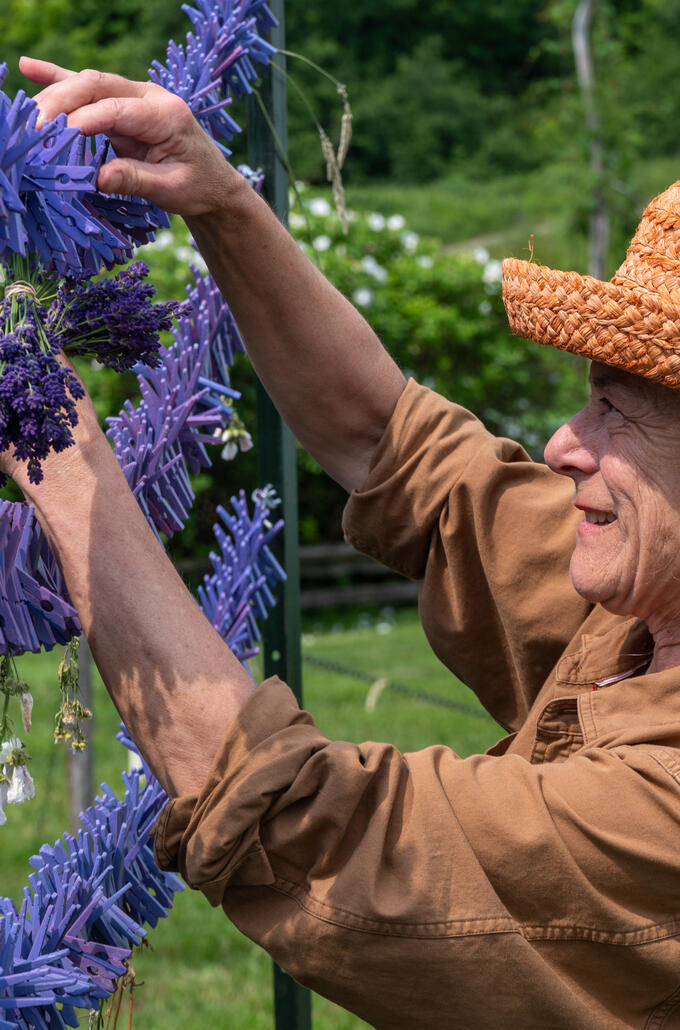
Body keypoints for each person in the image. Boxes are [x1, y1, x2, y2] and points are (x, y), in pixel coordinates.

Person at [9, 57, 680, 1029]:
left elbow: (301, 828)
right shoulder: (635, 611)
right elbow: (394, 444)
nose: (563, 444)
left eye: (616, 413)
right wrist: (216, 197)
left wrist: (48, 434)